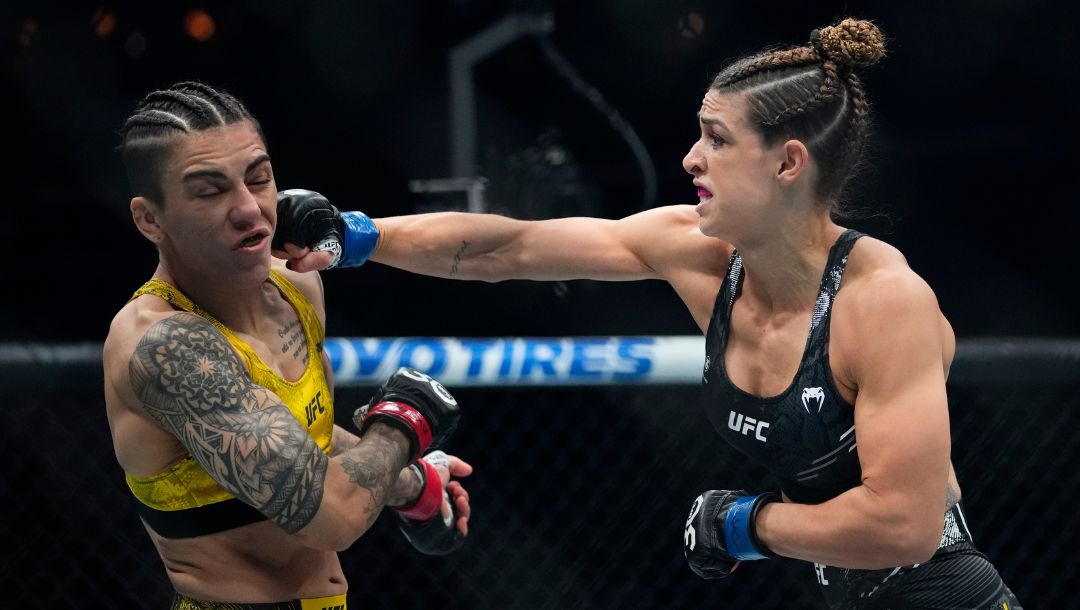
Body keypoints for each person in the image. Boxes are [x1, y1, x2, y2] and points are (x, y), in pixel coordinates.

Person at [275, 18, 1023, 609]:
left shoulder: (883, 301)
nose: (692, 158)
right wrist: (357, 235)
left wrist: (744, 525)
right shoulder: (698, 254)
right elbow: (510, 248)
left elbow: (907, 524)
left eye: (718, 139)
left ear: (788, 164)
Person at [103, 81, 473, 609]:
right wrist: (402, 425)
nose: (249, 209)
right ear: (150, 219)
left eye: (258, 179)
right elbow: (331, 516)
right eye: (209, 191)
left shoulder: (294, 284)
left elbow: (296, 447)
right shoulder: (166, 345)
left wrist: (412, 484)